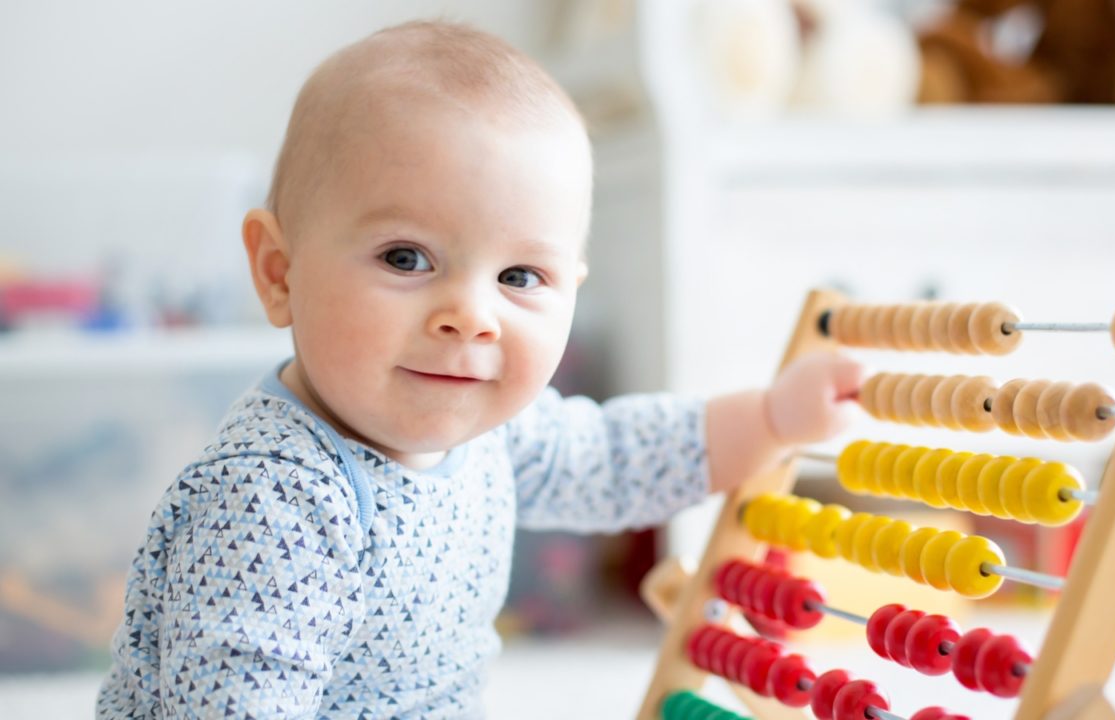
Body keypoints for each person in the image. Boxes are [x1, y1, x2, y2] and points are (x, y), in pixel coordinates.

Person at [97, 20, 863, 718]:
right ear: (278, 273)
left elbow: (615, 456)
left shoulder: (491, 432)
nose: (472, 315)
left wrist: (769, 419)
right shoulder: (273, 501)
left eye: (521, 277)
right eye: (407, 257)